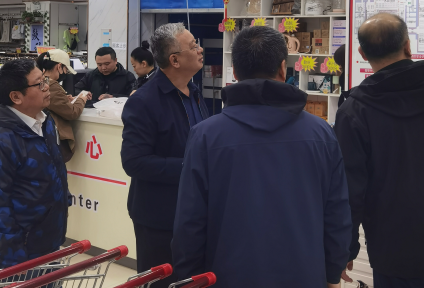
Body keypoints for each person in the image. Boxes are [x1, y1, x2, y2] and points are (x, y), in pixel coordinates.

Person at [172, 26, 351, 288]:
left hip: (227, 276)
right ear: (283, 68)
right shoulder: (321, 133)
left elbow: (190, 222)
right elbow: (337, 213)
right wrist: (333, 272)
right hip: (304, 274)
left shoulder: (205, 136)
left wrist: (189, 278)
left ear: (234, 72)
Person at [335, 13, 424, 288]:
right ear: (408, 46)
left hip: (396, 252)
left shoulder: (354, 111)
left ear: (362, 54)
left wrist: (345, 249)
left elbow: (350, 190)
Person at [121, 23, 209, 288]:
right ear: (175, 60)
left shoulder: (194, 93)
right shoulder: (144, 101)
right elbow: (134, 161)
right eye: (193, 46)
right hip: (159, 216)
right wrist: (190, 167)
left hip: (194, 212)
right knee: (161, 281)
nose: (200, 49)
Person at [0, 59, 69, 270]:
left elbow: (53, 170)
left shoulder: (44, 121)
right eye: (39, 84)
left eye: (45, 80)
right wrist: (14, 258)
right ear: (16, 97)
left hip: (49, 240)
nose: (47, 87)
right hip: (18, 253)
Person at [37, 49, 92, 162]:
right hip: (52, 140)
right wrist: (81, 99)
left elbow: (51, 104)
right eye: (66, 69)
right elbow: (72, 112)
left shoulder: (41, 82)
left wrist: (64, 99)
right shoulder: (51, 85)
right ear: (59, 66)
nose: (66, 73)